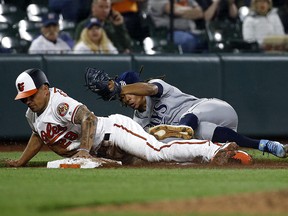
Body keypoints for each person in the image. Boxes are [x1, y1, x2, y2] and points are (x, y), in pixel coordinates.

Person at [5, 68, 246, 168]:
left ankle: (212, 149)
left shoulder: (58, 102)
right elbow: (39, 135)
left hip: (113, 131)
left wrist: (85, 150)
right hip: (103, 151)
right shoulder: (32, 114)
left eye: (31, 95)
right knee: (160, 162)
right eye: (24, 97)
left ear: (45, 88)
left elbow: (88, 118)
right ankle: (211, 158)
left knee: (156, 152)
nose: (28, 100)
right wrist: (21, 162)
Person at [89, 69, 288, 158]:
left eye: (129, 93)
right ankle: (265, 145)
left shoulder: (157, 87)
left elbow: (149, 89)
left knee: (191, 120)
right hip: (217, 130)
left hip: (215, 109)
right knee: (195, 133)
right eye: (123, 98)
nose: (127, 99)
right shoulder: (139, 121)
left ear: (137, 87)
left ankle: (182, 130)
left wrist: (119, 88)